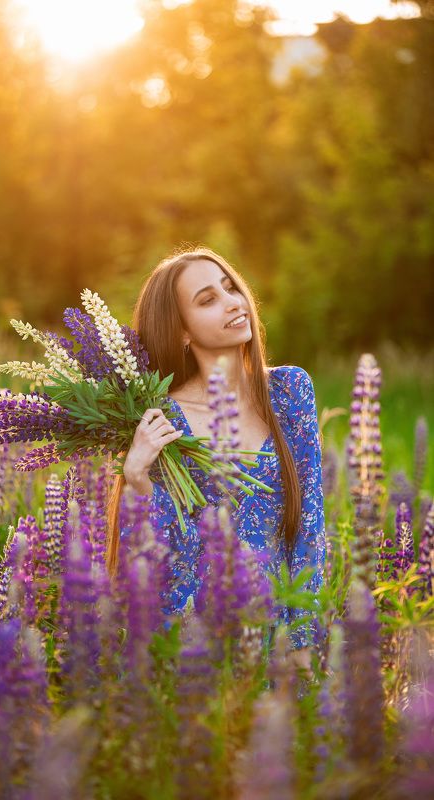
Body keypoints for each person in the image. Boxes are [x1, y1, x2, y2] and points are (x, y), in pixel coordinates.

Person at [105, 246, 326, 673]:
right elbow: (161, 560)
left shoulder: (289, 392)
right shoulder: (163, 417)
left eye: (229, 288)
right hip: (201, 643)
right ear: (182, 331)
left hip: (279, 632)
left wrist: (304, 641)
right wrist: (137, 478)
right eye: (207, 300)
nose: (232, 303)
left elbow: (310, 525)